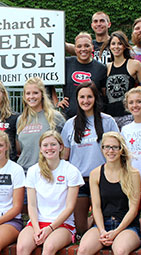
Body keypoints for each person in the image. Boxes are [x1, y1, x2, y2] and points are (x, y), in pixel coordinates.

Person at [60, 82, 119, 235]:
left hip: (102, 179)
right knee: (81, 228)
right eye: (82, 97)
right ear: (77, 99)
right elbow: (64, 157)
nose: (86, 101)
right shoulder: (69, 124)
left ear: (95, 98)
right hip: (79, 181)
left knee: (104, 224)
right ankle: (92, 223)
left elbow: (119, 150)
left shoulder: (108, 121)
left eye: (89, 97)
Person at [15, 131, 84, 255]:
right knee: (21, 248)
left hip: (62, 224)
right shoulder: (33, 171)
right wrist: (36, 229)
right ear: (40, 149)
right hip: (37, 222)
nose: (49, 148)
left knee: (49, 247)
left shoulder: (71, 171)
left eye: (53, 144)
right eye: (45, 145)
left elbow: (70, 207)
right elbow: (31, 205)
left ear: (61, 147)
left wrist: (50, 228)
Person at [77, 132, 141, 255]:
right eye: (106, 147)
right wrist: (102, 230)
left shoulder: (133, 174)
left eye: (115, 147)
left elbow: (133, 209)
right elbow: (96, 207)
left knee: (120, 250)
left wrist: (116, 232)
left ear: (121, 149)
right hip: (103, 225)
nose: (110, 151)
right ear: (102, 149)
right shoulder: (95, 173)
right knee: (83, 250)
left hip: (127, 227)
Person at [16, 77, 65, 171]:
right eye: (28, 93)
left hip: (48, 171)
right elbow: (20, 149)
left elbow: (64, 147)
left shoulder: (55, 117)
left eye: (35, 93)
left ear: (42, 94)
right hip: (24, 172)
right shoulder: (20, 119)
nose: (31, 97)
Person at [58, 32, 107, 119]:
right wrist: (56, 102)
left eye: (87, 46)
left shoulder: (101, 68)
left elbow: (104, 94)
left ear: (92, 47)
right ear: (75, 49)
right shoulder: (65, 63)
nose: (83, 49)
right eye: (79, 46)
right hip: (70, 116)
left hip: (93, 117)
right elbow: (50, 80)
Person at [104, 31, 141, 129]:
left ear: (125, 46)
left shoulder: (135, 64)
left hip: (128, 115)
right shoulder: (106, 67)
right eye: (113, 44)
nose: (116, 47)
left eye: (120, 43)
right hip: (110, 116)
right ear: (109, 47)